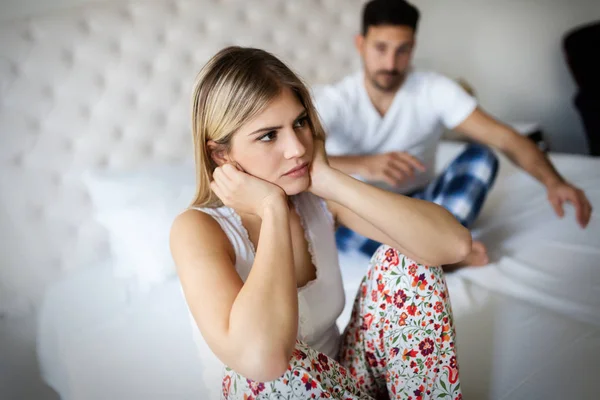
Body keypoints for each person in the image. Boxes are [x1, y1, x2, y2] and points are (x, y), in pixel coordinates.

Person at [170, 46, 472, 399]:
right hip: (270, 388)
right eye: (269, 135)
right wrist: (272, 211)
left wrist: (330, 179)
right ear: (221, 154)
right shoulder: (197, 230)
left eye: (300, 123)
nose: (297, 147)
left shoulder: (316, 198)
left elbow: (454, 245)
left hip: (346, 381)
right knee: (263, 368)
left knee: (408, 259)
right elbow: (262, 362)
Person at [313, 0, 593, 267]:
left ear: (413, 47)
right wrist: (363, 164)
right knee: (332, 211)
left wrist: (554, 182)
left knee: (482, 158)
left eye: (403, 50)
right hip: (365, 210)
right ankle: (443, 256)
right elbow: (300, 160)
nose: (391, 63)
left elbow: (505, 138)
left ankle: (426, 251)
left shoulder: (433, 88)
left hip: (426, 201)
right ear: (361, 45)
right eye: (381, 48)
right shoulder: (335, 100)